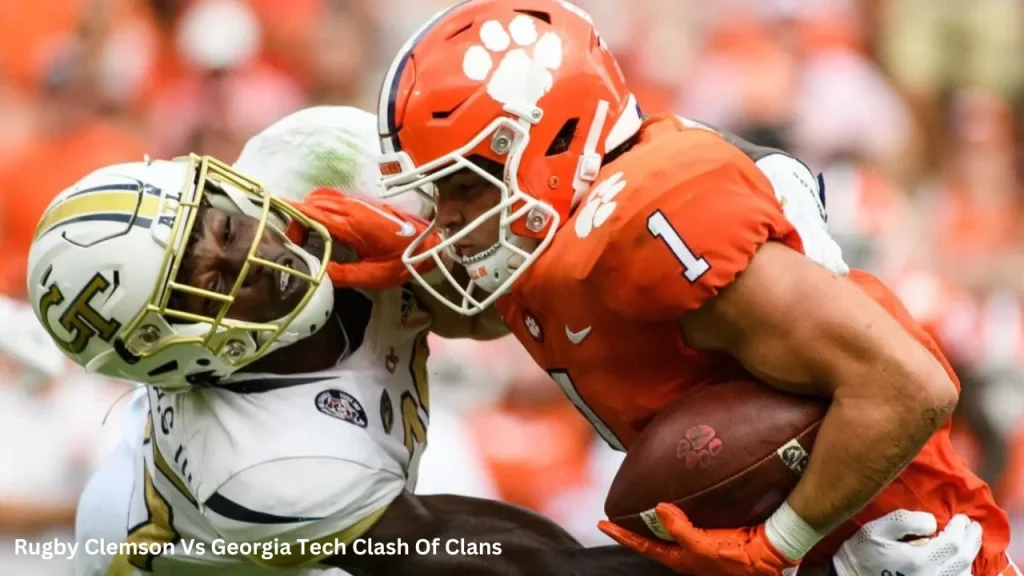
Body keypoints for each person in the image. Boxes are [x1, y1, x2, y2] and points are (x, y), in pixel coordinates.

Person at [371, 1, 1019, 575]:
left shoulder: (649, 223)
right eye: (437, 192)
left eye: (464, 186)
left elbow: (909, 387)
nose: (449, 219)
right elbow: (476, 310)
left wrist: (777, 547)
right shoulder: (555, 232)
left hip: (902, 548)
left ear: (554, 141)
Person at [27, 105, 677, 576]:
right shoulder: (265, 471)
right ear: (173, 354)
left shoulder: (317, 159)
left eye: (226, 226)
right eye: (210, 283)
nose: (254, 256)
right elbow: (517, 564)